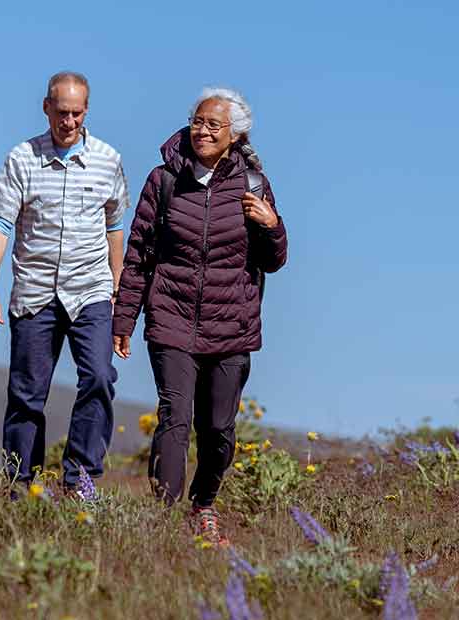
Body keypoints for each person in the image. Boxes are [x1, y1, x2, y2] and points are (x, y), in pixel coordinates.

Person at [111, 87, 288, 546]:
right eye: (198, 121)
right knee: (174, 416)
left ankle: (203, 503)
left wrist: (272, 225)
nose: (203, 130)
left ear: (235, 134)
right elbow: (138, 256)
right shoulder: (164, 180)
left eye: (214, 125)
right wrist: (124, 319)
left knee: (219, 430)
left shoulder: (253, 185)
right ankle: (167, 520)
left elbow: (273, 261)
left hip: (232, 325)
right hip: (171, 317)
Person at [0, 71, 128, 500]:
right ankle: (19, 485)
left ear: (86, 112)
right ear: (46, 108)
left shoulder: (108, 160)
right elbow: (1, 224)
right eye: (62, 113)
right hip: (36, 290)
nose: (69, 122)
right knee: (27, 392)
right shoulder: (21, 159)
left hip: (92, 289)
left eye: (77, 114)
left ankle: (80, 481)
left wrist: (119, 289)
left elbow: (115, 224)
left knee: (99, 377)